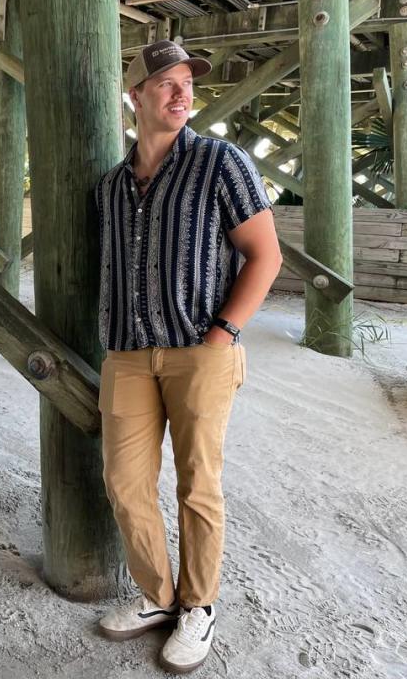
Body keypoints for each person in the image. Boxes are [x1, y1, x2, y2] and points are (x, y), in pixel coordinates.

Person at [94, 39, 283, 674]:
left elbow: (266, 255)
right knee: (125, 485)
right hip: (127, 355)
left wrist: (223, 334)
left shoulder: (222, 163)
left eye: (187, 83)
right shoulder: (112, 187)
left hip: (200, 350)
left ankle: (199, 607)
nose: (182, 93)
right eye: (165, 83)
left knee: (198, 486)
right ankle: (157, 596)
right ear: (136, 96)